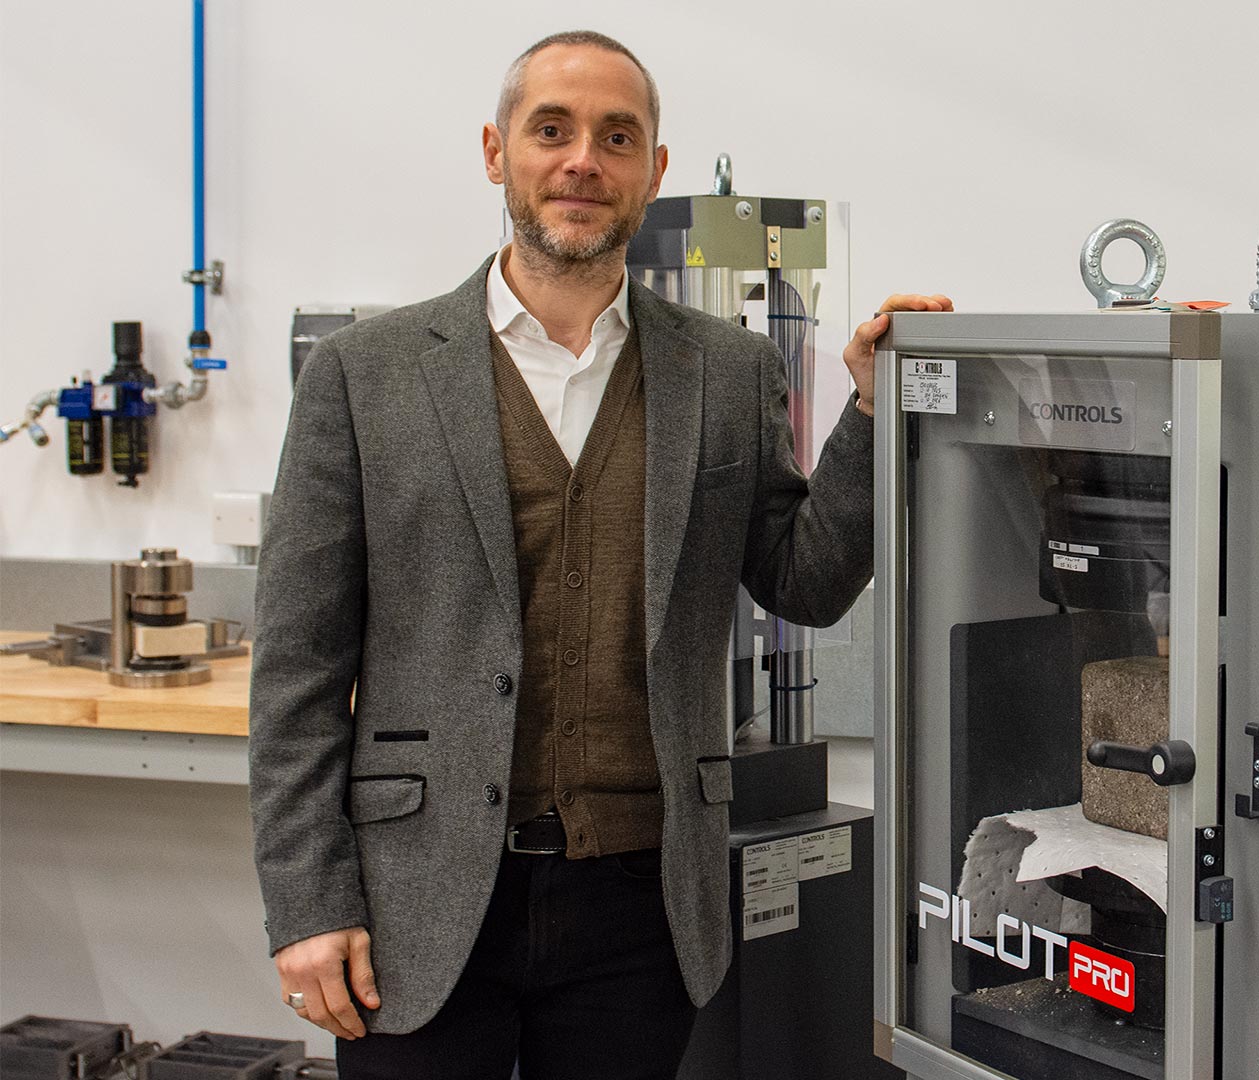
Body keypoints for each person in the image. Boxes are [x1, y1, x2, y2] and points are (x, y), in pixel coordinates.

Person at [247, 29, 950, 1079]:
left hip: (640, 905)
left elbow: (803, 579)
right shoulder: (365, 377)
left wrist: (870, 407)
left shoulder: (725, 370)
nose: (584, 160)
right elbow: (298, 671)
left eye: (617, 137)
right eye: (553, 130)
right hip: (423, 900)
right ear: (497, 153)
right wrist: (308, 904)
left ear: (653, 171)